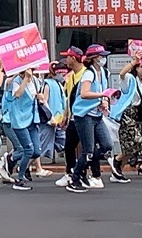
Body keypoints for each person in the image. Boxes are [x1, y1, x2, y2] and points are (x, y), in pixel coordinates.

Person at [66, 44, 113, 193]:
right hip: (84, 116)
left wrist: (104, 102)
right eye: (101, 56)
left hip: (96, 115)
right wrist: (102, 97)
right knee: (88, 150)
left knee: (106, 145)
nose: (103, 59)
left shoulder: (103, 73)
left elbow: (101, 93)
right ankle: (75, 178)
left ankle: (83, 169)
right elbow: (85, 93)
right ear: (94, 59)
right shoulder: (89, 74)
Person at [108, 52, 142, 182]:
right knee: (140, 145)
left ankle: (117, 169)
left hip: (136, 116)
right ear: (136, 68)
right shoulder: (130, 79)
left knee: (129, 148)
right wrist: (133, 61)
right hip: (126, 115)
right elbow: (122, 74)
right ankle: (117, 160)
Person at [56, 46, 87, 188]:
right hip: (74, 117)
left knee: (86, 147)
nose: (66, 60)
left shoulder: (86, 74)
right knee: (69, 146)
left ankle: (83, 173)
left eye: (68, 57)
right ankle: (70, 172)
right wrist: (65, 116)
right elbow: (68, 98)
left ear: (73, 58)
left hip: (86, 117)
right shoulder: (71, 77)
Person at [9, 68, 42, 191]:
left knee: (36, 151)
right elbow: (17, 94)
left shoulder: (36, 81)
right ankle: (20, 178)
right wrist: (25, 79)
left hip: (32, 119)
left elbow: (37, 96)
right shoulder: (16, 81)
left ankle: (13, 158)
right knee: (28, 149)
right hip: (19, 119)